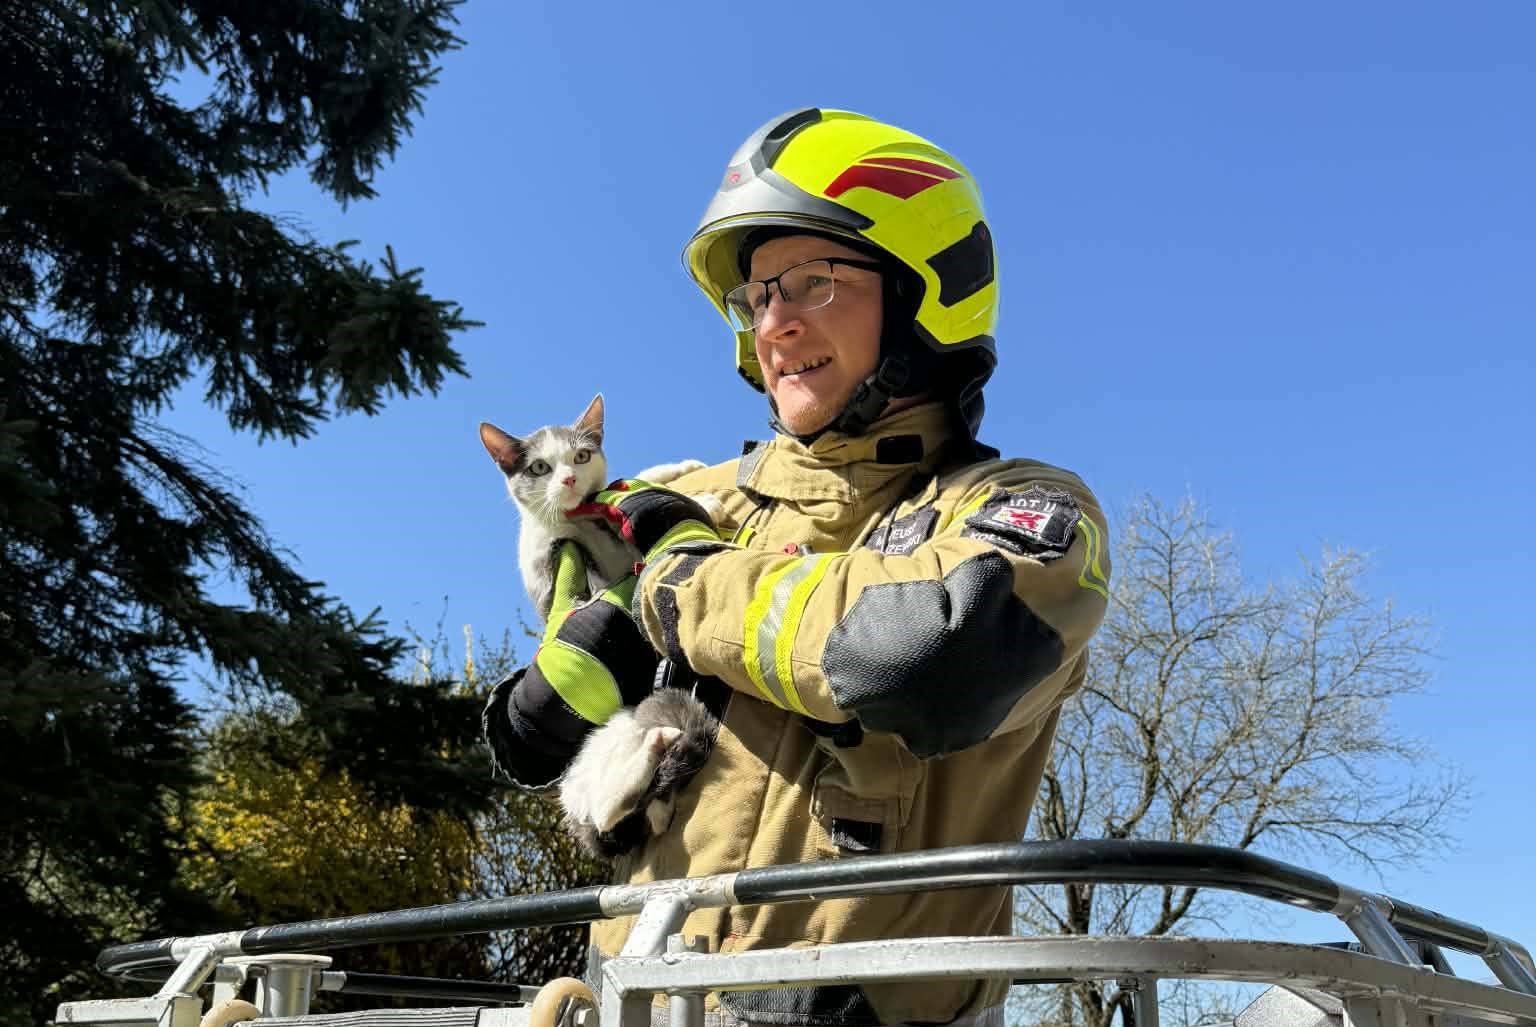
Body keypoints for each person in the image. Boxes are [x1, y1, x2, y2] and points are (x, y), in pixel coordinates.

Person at [484, 107, 1111, 1027]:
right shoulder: (684, 496)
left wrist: (681, 584)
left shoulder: (1028, 509)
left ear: (923, 289)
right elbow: (557, 693)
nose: (773, 323)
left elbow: (926, 655)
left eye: (811, 281)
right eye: (756, 295)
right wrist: (560, 689)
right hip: (618, 1001)